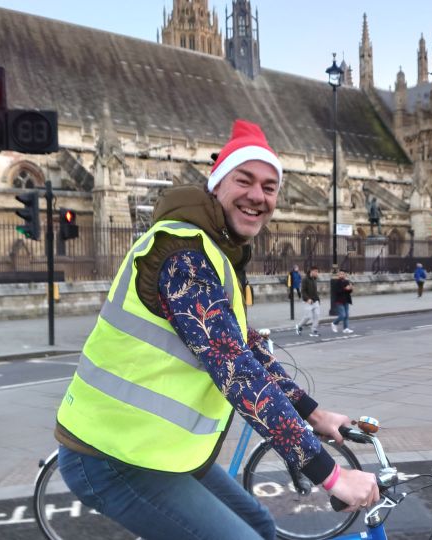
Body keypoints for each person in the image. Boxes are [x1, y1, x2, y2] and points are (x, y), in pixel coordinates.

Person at [53, 119, 378, 540]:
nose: (257, 196)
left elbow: (247, 349)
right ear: (216, 185)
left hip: (152, 449)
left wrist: (315, 414)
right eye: (244, 180)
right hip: (108, 455)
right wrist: (331, 475)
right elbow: (235, 369)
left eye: (269, 186)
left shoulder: (215, 251)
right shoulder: (183, 256)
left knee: (259, 523)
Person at [295, 265, 321, 336]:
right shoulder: (305, 279)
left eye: (317, 272)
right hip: (308, 301)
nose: (317, 273)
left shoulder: (314, 279)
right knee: (308, 317)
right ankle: (299, 326)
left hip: (315, 301)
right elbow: (303, 291)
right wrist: (307, 299)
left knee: (317, 315)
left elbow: (315, 291)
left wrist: (318, 299)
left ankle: (314, 329)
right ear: (311, 271)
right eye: (316, 272)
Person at [331, 270, 354, 334]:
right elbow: (337, 292)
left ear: (345, 275)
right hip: (339, 301)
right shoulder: (336, 282)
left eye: (343, 274)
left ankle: (345, 328)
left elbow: (348, 292)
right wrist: (345, 289)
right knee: (342, 315)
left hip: (346, 300)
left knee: (346, 315)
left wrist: (350, 289)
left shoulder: (347, 281)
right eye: (340, 274)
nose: (342, 275)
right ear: (338, 275)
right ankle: (334, 323)